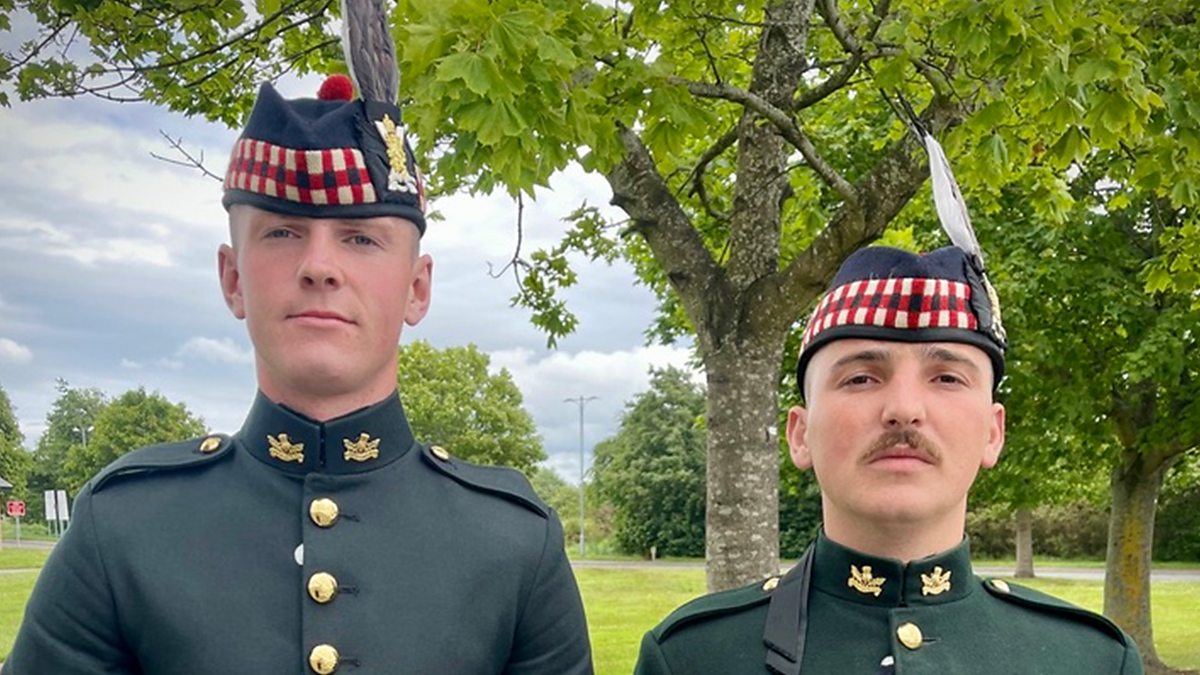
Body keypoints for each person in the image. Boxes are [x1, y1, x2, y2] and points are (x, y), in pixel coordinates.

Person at [3, 6, 592, 673]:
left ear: (417, 288)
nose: (319, 266)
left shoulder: (515, 543)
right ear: (233, 279)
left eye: (361, 239)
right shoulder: (120, 530)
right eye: (282, 233)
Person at [633, 242, 1143, 674]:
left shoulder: (1093, 660)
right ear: (800, 434)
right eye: (860, 378)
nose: (903, 410)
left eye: (947, 378)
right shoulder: (692, 658)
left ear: (993, 433)